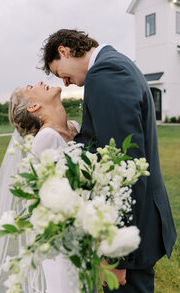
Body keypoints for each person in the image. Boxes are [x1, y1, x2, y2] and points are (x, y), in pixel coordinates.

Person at [40, 29, 177, 293]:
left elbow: (123, 165)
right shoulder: (115, 65)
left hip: (131, 232)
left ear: (64, 51)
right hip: (142, 218)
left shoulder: (105, 74)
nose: (65, 83)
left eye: (60, 73)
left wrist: (116, 254)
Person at [0, 81, 83, 293]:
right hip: (62, 241)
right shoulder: (46, 139)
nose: (41, 82)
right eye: (31, 87)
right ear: (33, 107)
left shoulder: (74, 127)